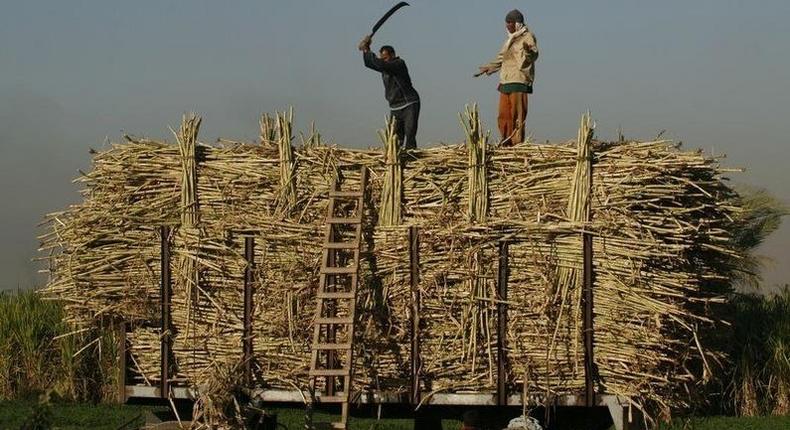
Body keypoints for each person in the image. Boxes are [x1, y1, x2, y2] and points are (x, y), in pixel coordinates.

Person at [476, 9, 539, 145]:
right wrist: (489, 67)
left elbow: (534, 55)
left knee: (517, 116)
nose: (507, 25)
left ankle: (517, 144)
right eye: (506, 23)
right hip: (505, 82)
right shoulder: (510, 40)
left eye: (509, 22)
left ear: (517, 24)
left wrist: (528, 52)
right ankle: (506, 143)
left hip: (519, 81)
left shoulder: (527, 37)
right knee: (503, 116)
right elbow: (501, 58)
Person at [358, 35, 421, 149]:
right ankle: (397, 159)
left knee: (410, 134)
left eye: (385, 57)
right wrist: (366, 50)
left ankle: (411, 156)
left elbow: (380, 64)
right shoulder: (384, 66)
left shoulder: (399, 64)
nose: (383, 60)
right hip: (395, 107)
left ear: (392, 55)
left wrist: (367, 50)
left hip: (409, 104)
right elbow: (370, 63)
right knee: (394, 138)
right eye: (382, 58)